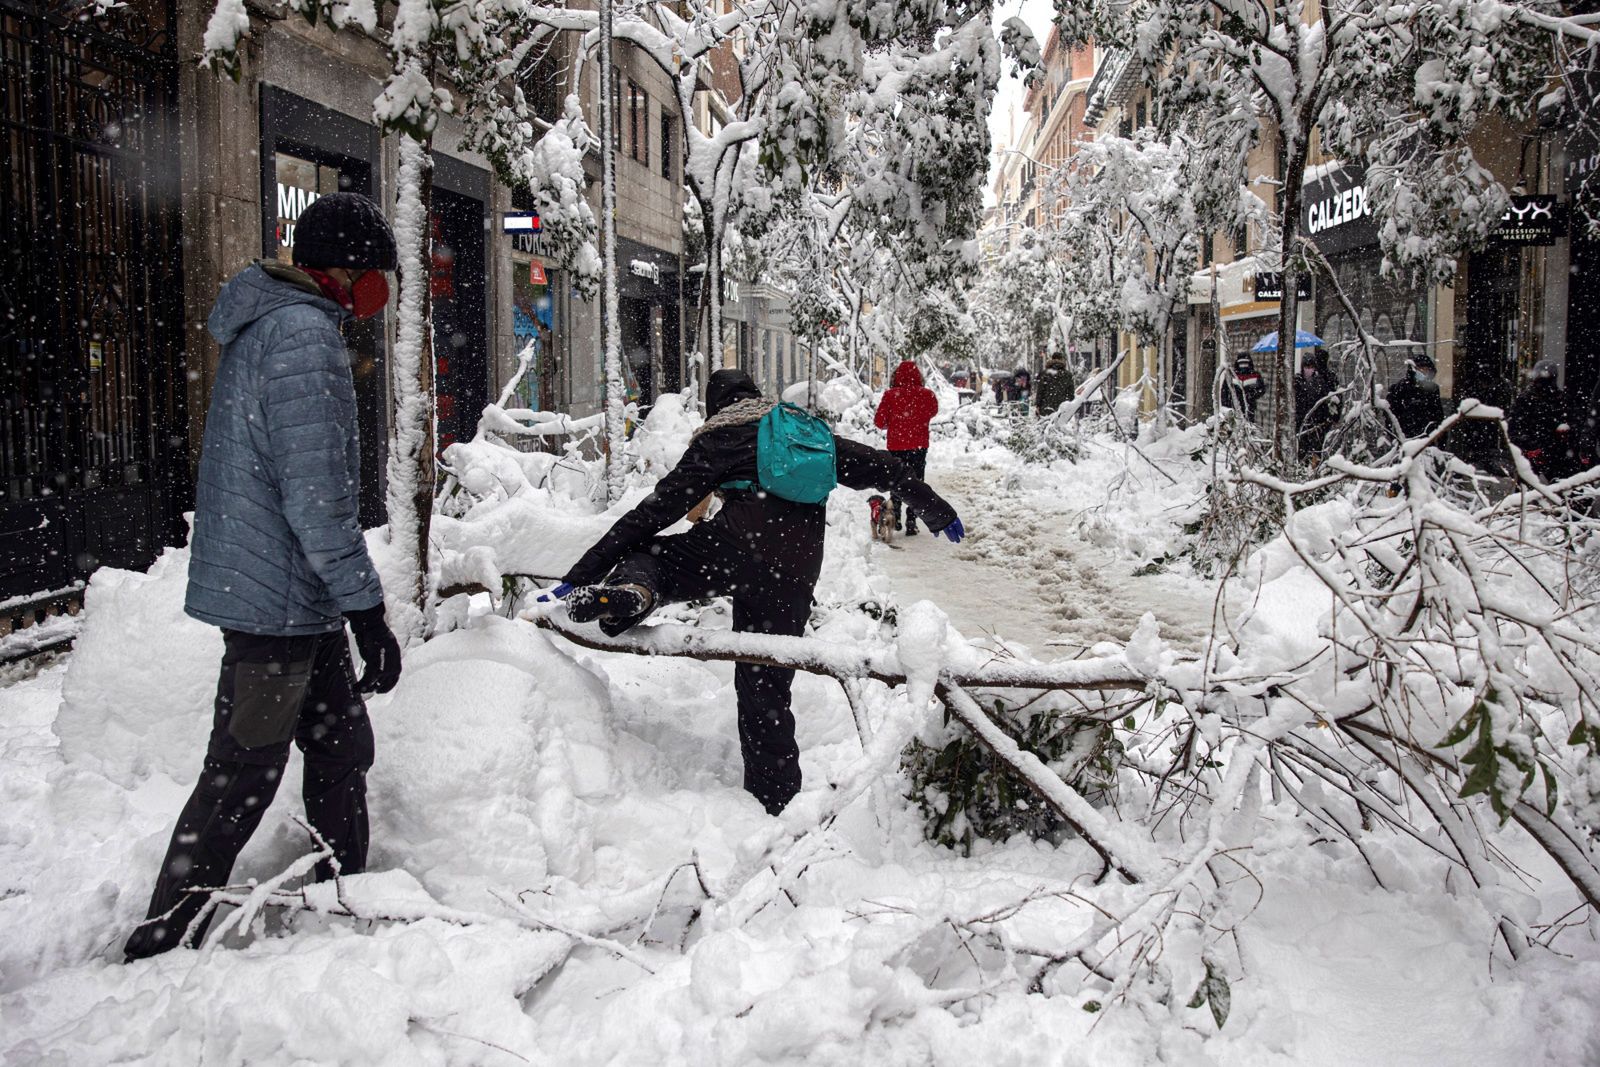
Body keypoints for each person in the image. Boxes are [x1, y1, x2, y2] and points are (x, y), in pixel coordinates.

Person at [124, 193, 403, 961]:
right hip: (279, 602)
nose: (381, 289)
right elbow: (317, 500)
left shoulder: (283, 328)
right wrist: (368, 611)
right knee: (243, 768)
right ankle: (163, 930)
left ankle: (346, 893)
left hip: (295, 598)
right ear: (344, 271)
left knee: (342, 746)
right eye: (376, 272)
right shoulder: (302, 338)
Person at [554, 369, 962, 816]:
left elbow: (656, 510)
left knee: (651, 553)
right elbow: (884, 468)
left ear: (716, 405)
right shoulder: (804, 430)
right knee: (765, 688)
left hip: (733, 549)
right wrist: (935, 510)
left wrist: (586, 568)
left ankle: (636, 589)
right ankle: (776, 806)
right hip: (796, 569)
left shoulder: (721, 436)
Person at [874, 359, 940, 533]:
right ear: (918, 376)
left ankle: (895, 515)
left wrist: (894, 423)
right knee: (916, 482)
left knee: (896, 480)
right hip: (918, 446)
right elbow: (932, 411)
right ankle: (912, 520)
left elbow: (879, 422)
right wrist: (917, 419)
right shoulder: (928, 395)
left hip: (896, 446)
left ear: (896, 376)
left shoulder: (890, 395)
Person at [1509, 359, 1578, 481]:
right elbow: (1515, 428)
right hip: (1543, 452)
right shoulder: (1558, 398)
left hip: (1549, 453)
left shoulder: (1558, 398)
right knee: (1561, 489)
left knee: (1526, 492)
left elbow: (1515, 428)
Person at [1384, 352, 1444, 440]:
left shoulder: (1433, 389)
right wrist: (1395, 437)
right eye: (1420, 369)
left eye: (1426, 370)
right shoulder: (1400, 388)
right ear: (1413, 369)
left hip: (1427, 439)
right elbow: (1391, 415)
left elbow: (1438, 416)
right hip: (1405, 437)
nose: (1423, 372)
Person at [1293, 349, 1339, 463]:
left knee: (1316, 451)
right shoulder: (1297, 380)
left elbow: (1323, 401)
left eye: (1311, 366)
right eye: (1307, 366)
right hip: (1302, 421)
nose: (1309, 369)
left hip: (1316, 421)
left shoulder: (1320, 381)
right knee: (1303, 451)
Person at [1220, 354, 1265, 421]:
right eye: (1241, 364)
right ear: (1237, 364)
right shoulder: (1231, 376)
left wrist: (1251, 395)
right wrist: (1226, 406)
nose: (1243, 366)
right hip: (1233, 406)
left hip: (1249, 407)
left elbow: (1261, 389)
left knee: (1248, 425)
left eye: (1245, 364)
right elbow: (1224, 392)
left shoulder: (1255, 375)